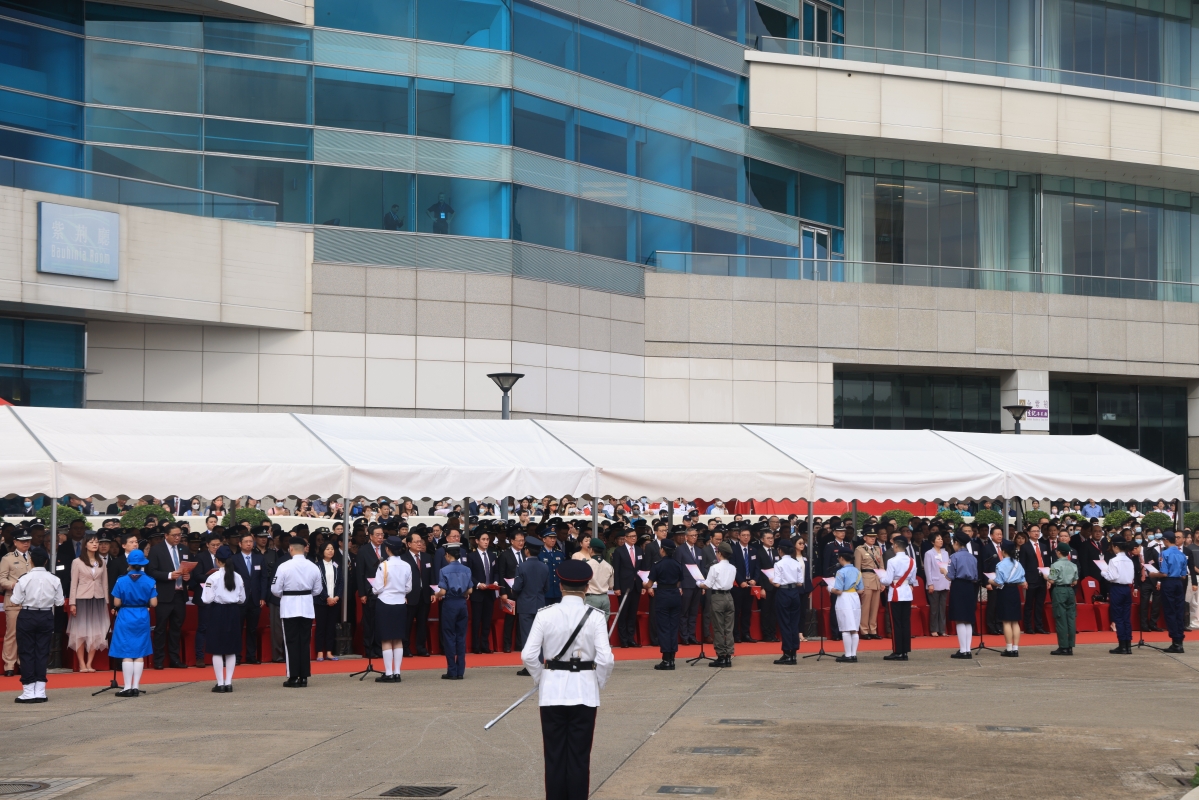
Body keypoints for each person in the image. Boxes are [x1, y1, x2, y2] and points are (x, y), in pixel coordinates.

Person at [521, 560, 614, 800]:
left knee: (554, 756)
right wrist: (597, 682)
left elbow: (529, 655)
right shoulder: (595, 616)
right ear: (587, 588)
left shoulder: (545, 614)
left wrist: (541, 678)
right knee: (580, 757)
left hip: (552, 693)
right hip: (584, 693)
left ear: (561, 586)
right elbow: (606, 659)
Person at [10, 548, 63, 703]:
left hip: (27, 614)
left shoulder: (24, 578)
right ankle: (40, 691)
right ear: (46, 561)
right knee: (42, 652)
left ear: (31, 561)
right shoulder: (54, 579)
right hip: (46, 615)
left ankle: (28, 691)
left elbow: (15, 600)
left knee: (27, 652)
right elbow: (59, 602)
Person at [271, 535, 323, 687]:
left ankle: (293, 676)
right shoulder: (313, 566)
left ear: (291, 549)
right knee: (305, 642)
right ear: (304, 549)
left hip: (289, 607)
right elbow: (318, 590)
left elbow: (275, 589)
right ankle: (304, 676)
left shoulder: (284, 566)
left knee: (291, 642)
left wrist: (286, 594)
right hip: (306, 606)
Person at [109, 549, 157, 698]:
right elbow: (154, 603)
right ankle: (136, 686)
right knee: (139, 652)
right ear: (143, 564)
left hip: (125, 615)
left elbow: (117, 602)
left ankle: (127, 687)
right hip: (142, 615)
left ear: (129, 564)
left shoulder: (121, 580)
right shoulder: (150, 580)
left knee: (127, 652)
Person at [146, 523, 192, 670]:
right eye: (174, 535)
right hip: (164, 595)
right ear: (166, 536)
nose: (178, 538)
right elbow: (151, 571)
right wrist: (169, 575)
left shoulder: (184, 549)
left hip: (180, 594)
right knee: (160, 628)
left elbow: (189, 568)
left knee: (176, 628)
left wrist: (188, 577)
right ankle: (159, 660)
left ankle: (175, 659)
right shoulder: (156, 550)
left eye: (179, 535)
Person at [200, 545, 245, 692]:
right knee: (231, 649)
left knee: (217, 649)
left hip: (218, 611)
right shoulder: (238, 577)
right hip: (233, 611)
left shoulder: (213, 577)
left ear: (217, 560)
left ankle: (220, 683)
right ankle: (229, 682)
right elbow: (242, 599)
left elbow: (206, 599)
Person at [66, 532, 109, 673]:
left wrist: (106, 602)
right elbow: (73, 584)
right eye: (91, 542)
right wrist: (72, 603)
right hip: (82, 598)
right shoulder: (77, 562)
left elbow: (105, 583)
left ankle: (90, 663)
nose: (95, 544)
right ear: (85, 545)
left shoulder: (101, 562)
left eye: (96, 542)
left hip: (98, 599)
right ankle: (81, 663)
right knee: (80, 631)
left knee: (96, 631)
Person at [372, 536, 413, 683]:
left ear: (387, 549)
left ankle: (389, 673)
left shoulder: (384, 565)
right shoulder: (407, 565)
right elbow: (408, 588)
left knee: (386, 639)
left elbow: (377, 588)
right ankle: (397, 672)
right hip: (400, 603)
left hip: (385, 602)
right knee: (398, 638)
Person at [513, 535, 550, 674]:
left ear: (527, 550)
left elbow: (517, 587)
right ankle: (539, 663)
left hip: (525, 604)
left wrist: (514, 591)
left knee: (527, 636)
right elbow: (546, 588)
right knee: (539, 636)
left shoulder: (521, 566)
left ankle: (530, 667)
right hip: (539, 603)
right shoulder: (544, 567)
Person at [769, 538, 809, 665]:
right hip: (795, 592)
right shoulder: (796, 563)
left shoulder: (779, 564)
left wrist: (770, 579)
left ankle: (787, 652)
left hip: (783, 592)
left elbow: (777, 583)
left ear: (780, 550)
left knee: (784, 622)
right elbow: (800, 582)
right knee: (794, 623)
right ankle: (794, 653)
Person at [879, 534, 918, 661]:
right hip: (906, 592)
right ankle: (905, 651)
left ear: (895, 545)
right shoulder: (912, 560)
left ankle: (897, 651)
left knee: (896, 623)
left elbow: (887, 580)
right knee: (905, 623)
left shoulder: (892, 561)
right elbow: (913, 579)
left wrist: (880, 578)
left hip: (895, 593)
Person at [436, 543, 472, 680]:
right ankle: (460, 670)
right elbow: (470, 590)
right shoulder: (466, 569)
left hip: (450, 603)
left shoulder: (444, 570)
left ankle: (452, 670)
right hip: (462, 603)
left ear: (447, 555)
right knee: (461, 637)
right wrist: (463, 594)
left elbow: (443, 591)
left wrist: (436, 595)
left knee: (449, 636)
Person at [646, 538, 683, 670]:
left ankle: (666, 659)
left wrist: (644, 584)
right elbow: (679, 581)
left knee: (664, 628)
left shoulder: (658, 564)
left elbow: (649, 584)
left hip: (663, 596)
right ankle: (672, 658)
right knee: (673, 627)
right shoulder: (677, 564)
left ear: (662, 550)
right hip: (675, 595)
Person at [698, 542, 736, 667]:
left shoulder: (715, 567)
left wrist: (698, 583)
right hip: (729, 596)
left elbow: (707, 585)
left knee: (718, 628)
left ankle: (721, 656)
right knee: (728, 628)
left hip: (718, 597)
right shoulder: (733, 567)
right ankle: (728, 656)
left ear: (719, 553)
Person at [0, 529, 32, 677]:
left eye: (28, 541)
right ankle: (9, 665)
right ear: (15, 542)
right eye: (23, 541)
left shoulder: (33, 557)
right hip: (13, 600)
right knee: (12, 634)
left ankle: (23, 663)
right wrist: (14, 585)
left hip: (30, 601)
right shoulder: (7, 558)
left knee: (27, 634)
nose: (26, 543)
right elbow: (1, 579)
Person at [990, 541, 1027, 657]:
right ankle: (1015, 648)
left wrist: (990, 581)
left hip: (1004, 592)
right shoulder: (1018, 564)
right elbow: (1022, 581)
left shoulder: (1000, 565)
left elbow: (999, 582)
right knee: (1015, 621)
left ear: (1003, 551)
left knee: (1006, 621)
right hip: (1015, 591)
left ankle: (1009, 648)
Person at [1101, 539, 1136, 655]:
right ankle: (1128, 644)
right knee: (1126, 617)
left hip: (1117, 588)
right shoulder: (1129, 560)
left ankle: (1122, 645)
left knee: (1118, 617)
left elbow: (1112, 576)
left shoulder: (1113, 560)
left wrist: (1103, 572)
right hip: (1127, 588)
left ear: (1116, 547)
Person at [947, 532, 979, 659]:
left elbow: (951, 576)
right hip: (970, 587)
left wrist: (944, 571)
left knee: (959, 618)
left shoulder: (954, 557)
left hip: (958, 586)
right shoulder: (973, 558)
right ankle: (968, 650)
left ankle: (963, 650)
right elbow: (975, 576)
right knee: (968, 618)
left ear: (956, 543)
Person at [610, 527, 644, 648]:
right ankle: (623, 639)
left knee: (632, 613)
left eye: (635, 536)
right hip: (624, 586)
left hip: (636, 585)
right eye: (631, 536)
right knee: (623, 613)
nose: (634, 538)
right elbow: (616, 570)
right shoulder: (619, 551)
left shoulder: (639, 550)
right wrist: (617, 587)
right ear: (625, 538)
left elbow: (642, 569)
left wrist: (643, 584)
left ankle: (631, 638)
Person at [1157, 530, 1189, 653]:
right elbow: (1184, 575)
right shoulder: (1182, 554)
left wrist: (1154, 574)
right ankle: (1179, 640)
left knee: (1170, 611)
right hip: (1179, 583)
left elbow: (1164, 573)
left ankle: (1175, 641)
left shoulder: (1164, 553)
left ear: (1166, 540)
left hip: (1168, 583)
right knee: (1179, 611)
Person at [830, 549, 864, 663]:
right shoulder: (857, 571)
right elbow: (861, 590)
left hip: (844, 598)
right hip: (855, 597)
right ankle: (853, 654)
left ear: (841, 558)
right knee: (854, 628)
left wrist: (830, 588)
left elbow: (838, 590)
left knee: (845, 628)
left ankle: (848, 654)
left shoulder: (841, 572)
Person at [356, 526, 385, 660]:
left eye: (382, 534)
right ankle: (369, 649)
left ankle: (380, 648)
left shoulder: (386, 549)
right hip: (370, 591)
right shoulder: (364, 550)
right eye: (377, 535)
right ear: (371, 536)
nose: (380, 537)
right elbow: (360, 573)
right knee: (369, 622)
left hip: (384, 592)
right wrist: (362, 593)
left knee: (381, 621)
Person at [467, 531, 498, 654]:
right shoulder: (471, 556)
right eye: (483, 539)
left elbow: (496, 572)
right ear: (477, 541)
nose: (486, 542)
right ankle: (476, 646)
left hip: (490, 592)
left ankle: (485, 645)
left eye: (487, 539)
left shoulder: (492, 555)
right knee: (476, 620)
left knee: (487, 620)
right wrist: (478, 584)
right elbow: (469, 574)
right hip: (477, 593)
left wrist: (495, 581)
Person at [1048, 543, 1079, 656]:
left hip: (1059, 590)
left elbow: (1051, 580)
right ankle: (1070, 645)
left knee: (1060, 618)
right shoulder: (1073, 565)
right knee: (1071, 618)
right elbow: (1075, 581)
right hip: (1070, 591)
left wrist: (1045, 576)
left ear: (1059, 552)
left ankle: (1063, 646)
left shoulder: (1055, 565)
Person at [854, 528, 885, 640]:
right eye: (870, 536)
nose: (873, 538)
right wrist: (859, 584)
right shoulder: (860, 550)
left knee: (875, 607)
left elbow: (881, 566)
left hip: (876, 579)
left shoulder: (877, 549)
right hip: (865, 578)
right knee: (865, 607)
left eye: (874, 536)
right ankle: (864, 630)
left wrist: (882, 581)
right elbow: (857, 569)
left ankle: (873, 630)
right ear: (864, 538)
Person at [313, 541, 341, 662]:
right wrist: (326, 598)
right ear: (322, 551)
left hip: (334, 601)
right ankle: (320, 651)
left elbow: (341, 582)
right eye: (327, 549)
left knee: (331, 627)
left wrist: (337, 597)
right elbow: (316, 584)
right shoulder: (317, 566)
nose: (330, 551)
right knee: (321, 627)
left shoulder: (336, 565)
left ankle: (329, 651)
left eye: (332, 549)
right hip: (321, 601)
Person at [923, 532, 950, 637]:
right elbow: (928, 569)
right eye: (938, 539)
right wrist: (930, 583)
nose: (941, 540)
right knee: (934, 608)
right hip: (934, 583)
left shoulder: (945, 553)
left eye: (941, 539)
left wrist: (949, 581)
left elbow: (948, 567)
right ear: (932, 542)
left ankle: (942, 630)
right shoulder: (929, 553)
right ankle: (934, 629)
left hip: (945, 581)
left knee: (942, 607)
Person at [579, 539, 613, 614]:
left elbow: (581, 583)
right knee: (603, 621)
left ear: (591, 550)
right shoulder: (609, 566)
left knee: (589, 620)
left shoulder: (586, 565)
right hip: (605, 598)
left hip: (591, 598)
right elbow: (611, 586)